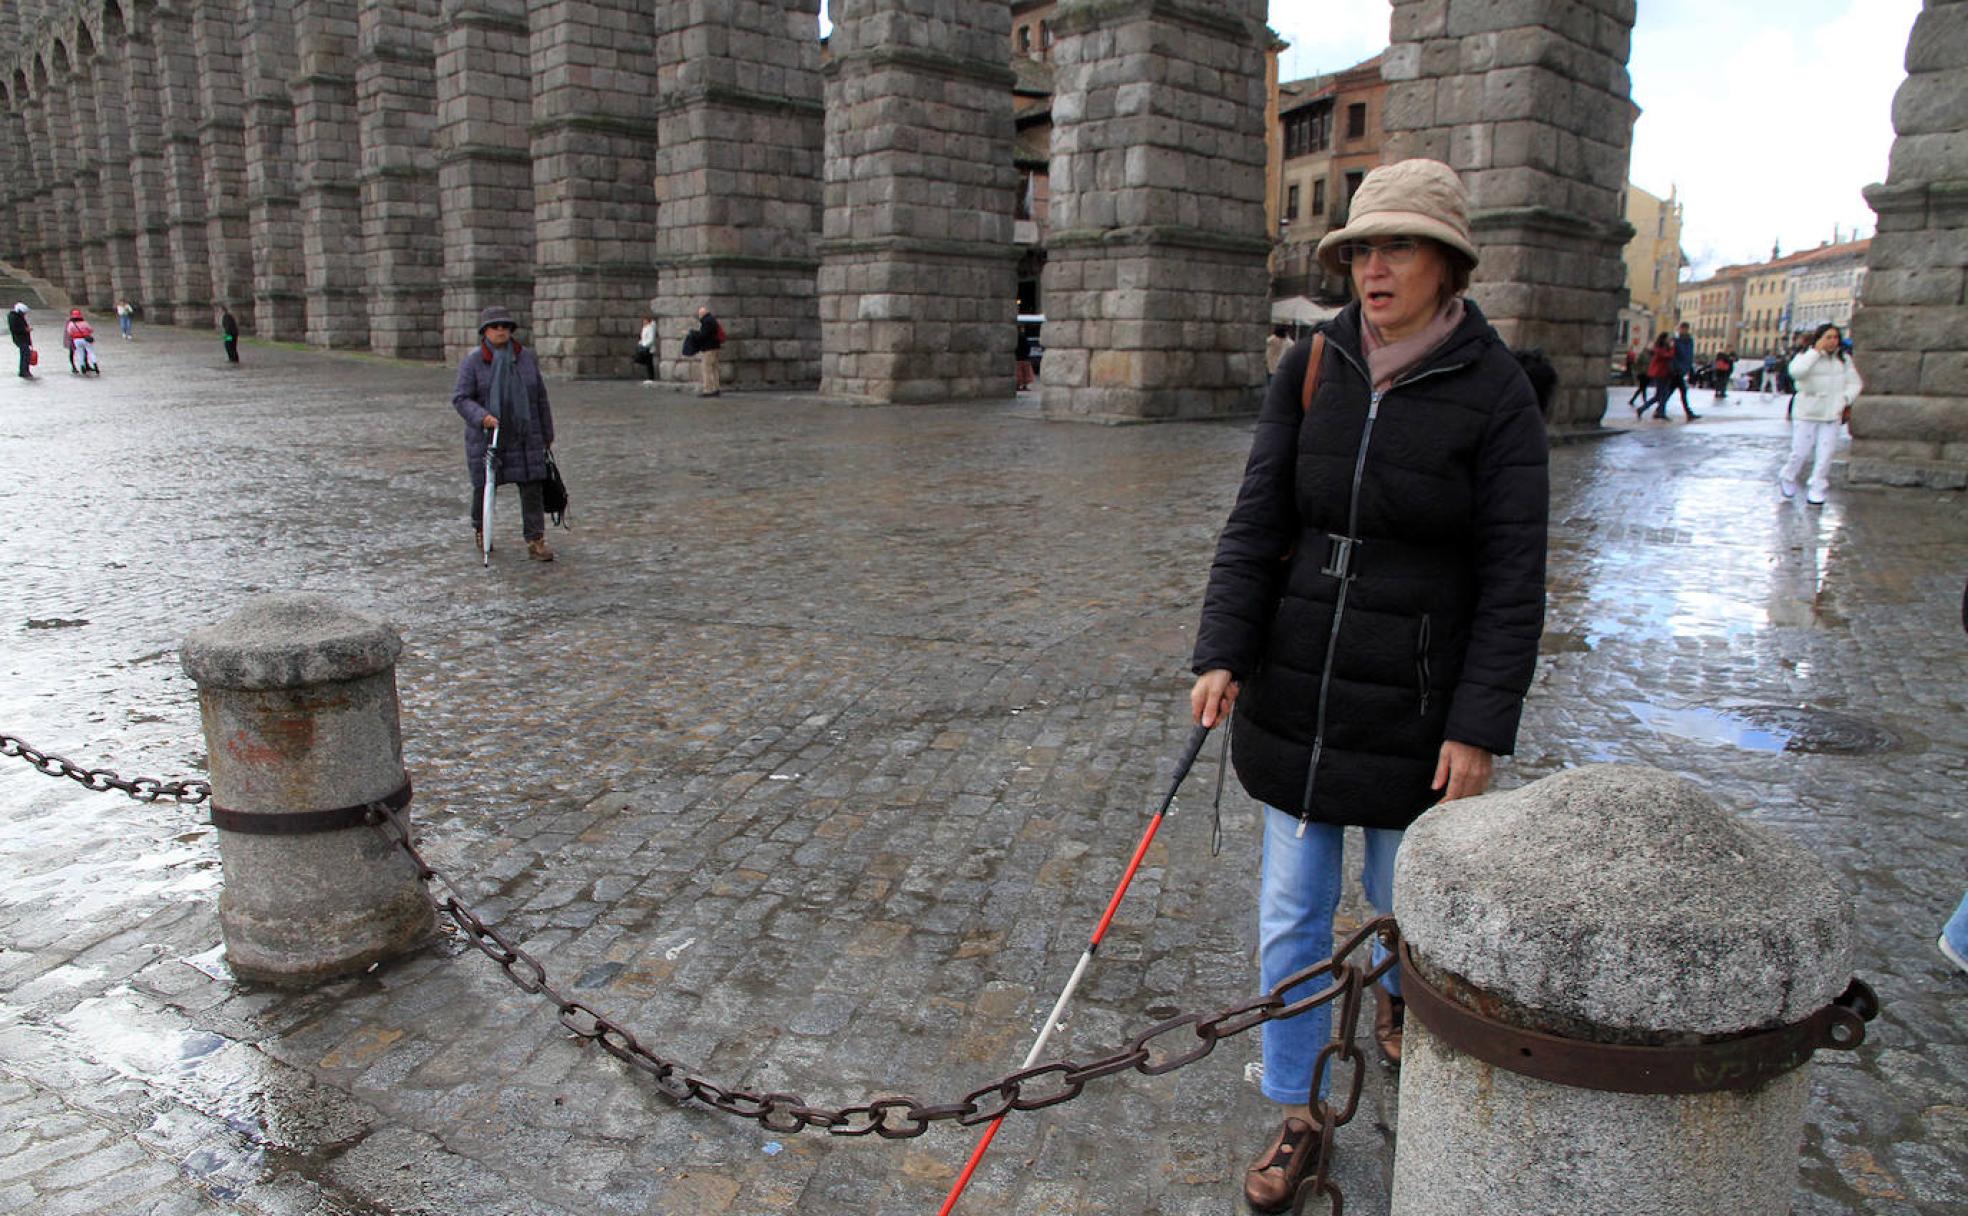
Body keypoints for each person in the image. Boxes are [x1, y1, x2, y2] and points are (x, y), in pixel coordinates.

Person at [1190, 158, 1547, 1213]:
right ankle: (1298, 1104)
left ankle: (1410, 1031)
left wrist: (1480, 724)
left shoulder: (1498, 393)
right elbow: (1259, 517)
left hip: (1418, 706)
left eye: (1398, 247)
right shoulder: (1312, 365)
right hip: (1299, 687)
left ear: (1448, 263)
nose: (1374, 267)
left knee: (1407, 911)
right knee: (1293, 915)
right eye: (1360, 250)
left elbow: (1513, 573)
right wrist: (1222, 649)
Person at [453, 305, 557, 562]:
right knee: (484, 487)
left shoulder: (526, 358)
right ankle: (481, 528)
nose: (500, 331)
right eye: (495, 326)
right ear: (485, 331)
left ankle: (536, 539)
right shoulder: (473, 362)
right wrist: (482, 417)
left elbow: (540, 396)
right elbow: (461, 398)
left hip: (525, 434)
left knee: (532, 486)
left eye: (505, 327)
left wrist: (546, 431)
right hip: (490, 436)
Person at [1778, 323, 1862, 506]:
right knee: (1800, 451)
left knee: (1825, 453)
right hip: (1808, 411)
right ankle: (1788, 475)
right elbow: (1796, 372)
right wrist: (1815, 352)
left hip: (1832, 412)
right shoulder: (1806, 356)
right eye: (1828, 337)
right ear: (1819, 338)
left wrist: (1844, 399)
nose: (1832, 341)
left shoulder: (1843, 360)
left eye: (1835, 337)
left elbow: (1855, 383)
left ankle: (1817, 486)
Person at [1636, 332, 1675, 419]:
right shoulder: (1659, 348)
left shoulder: (1665, 347)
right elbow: (1668, 356)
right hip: (1660, 373)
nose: (1670, 340)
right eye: (1668, 338)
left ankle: (1659, 412)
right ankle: (1644, 409)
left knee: (1663, 394)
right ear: (1664, 339)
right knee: (1659, 395)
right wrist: (1672, 348)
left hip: (1666, 373)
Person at [693, 305, 723, 397]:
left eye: (699, 314)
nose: (699, 316)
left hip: (709, 349)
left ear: (702, 314)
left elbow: (704, 335)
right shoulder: (712, 320)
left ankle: (708, 390)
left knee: (707, 369)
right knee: (714, 369)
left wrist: (694, 334)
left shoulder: (707, 322)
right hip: (715, 347)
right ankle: (716, 388)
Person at [63, 309, 98, 375]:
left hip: (76, 339)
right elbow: (67, 333)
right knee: (75, 353)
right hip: (73, 340)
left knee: (82, 353)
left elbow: (69, 331)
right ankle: (74, 367)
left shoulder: (74, 322)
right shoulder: (70, 322)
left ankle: (85, 365)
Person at [8, 303, 32, 379]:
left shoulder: (18, 316)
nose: (25, 314)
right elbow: (14, 328)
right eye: (24, 312)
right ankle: (23, 371)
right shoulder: (14, 317)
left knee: (25, 354)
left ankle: (24, 370)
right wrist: (25, 330)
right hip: (20, 339)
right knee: (25, 354)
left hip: (22, 338)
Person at [634, 313, 657, 386]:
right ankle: (650, 378)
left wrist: (645, 345)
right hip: (644, 346)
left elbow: (651, 339)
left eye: (644, 320)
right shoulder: (645, 328)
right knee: (646, 362)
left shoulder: (650, 328)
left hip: (648, 348)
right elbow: (643, 337)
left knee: (649, 363)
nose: (643, 321)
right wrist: (640, 343)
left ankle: (651, 378)